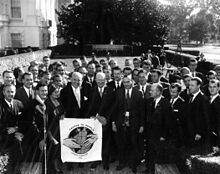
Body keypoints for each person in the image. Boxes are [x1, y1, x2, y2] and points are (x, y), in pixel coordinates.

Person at [112, 76, 144, 173]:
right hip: (121, 123)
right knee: (122, 143)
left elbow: (142, 111)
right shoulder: (119, 92)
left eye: (128, 82)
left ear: (132, 82)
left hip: (134, 123)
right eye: (124, 82)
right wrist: (113, 122)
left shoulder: (138, 93)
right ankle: (122, 162)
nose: (126, 84)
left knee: (133, 143)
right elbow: (115, 109)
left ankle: (132, 163)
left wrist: (142, 125)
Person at [87, 72, 115, 171]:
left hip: (106, 121)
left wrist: (106, 118)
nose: (100, 82)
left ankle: (105, 162)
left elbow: (113, 106)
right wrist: (97, 117)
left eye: (102, 80)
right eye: (98, 80)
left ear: (106, 80)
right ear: (95, 80)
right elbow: (90, 106)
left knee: (106, 142)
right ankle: (96, 160)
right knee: (95, 141)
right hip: (95, 121)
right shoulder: (92, 90)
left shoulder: (111, 90)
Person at [145, 83, 172, 174]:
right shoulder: (149, 101)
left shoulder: (166, 103)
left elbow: (168, 122)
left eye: (152, 90)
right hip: (149, 134)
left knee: (157, 155)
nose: (150, 92)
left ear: (159, 91)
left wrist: (163, 135)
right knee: (149, 153)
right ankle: (149, 170)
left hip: (159, 135)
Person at [0, 84, 24, 174]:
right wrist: (6, 130)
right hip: (3, 135)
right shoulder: (1, 105)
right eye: (8, 92)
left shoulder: (19, 104)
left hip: (16, 134)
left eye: (12, 92)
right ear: (3, 92)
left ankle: (17, 169)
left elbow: (24, 120)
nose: (10, 94)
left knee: (18, 144)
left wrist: (17, 129)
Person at [45, 85, 65, 173]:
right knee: (53, 150)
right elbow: (46, 122)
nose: (58, 94)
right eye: (55, 92)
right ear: (50, 93)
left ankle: (58, 165)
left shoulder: (58, 100)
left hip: (59, 128)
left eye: (58, 92)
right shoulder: (47, 104)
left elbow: (62, 111)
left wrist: (63, 115)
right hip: (52, 130)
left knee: (58, 149)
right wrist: (50, 136)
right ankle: (54, 168)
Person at [187, 77, 209, 147]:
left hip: (198, 134)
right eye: (189, 85)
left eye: (192, 85)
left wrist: (199, 133)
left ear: (198, 86)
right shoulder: (190, 97)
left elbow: (205, 118)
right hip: (190, 132)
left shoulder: (203, 99)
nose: (190, 87)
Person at [169, 83, 186, 147]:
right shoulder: (167, 101)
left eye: (174, 92)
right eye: (171, 91)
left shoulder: (182, 103)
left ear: (179, 92)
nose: (172, 94)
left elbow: (182, 119)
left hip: (177, 132)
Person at [208, 79, 220, 152]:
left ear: (218, 88)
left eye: (214, 87)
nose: (212, 89)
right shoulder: (207, 99)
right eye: (210, 87)